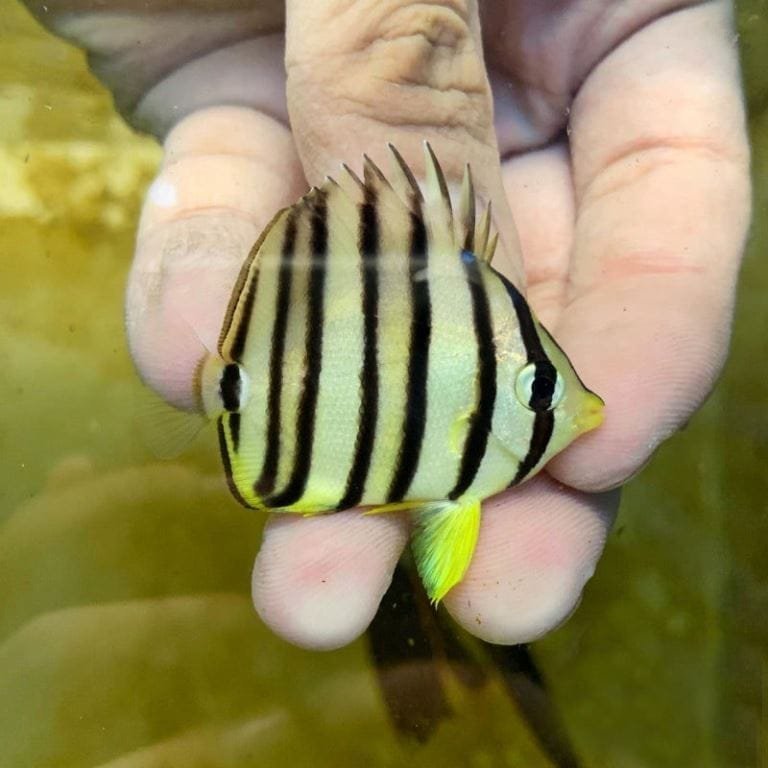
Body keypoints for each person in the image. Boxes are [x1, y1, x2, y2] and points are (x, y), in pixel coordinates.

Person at [26, 0, 750, 650]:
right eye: (539, 390)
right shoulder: (482, 314)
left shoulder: (491, 340)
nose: (577, 409)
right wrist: (403, 86)